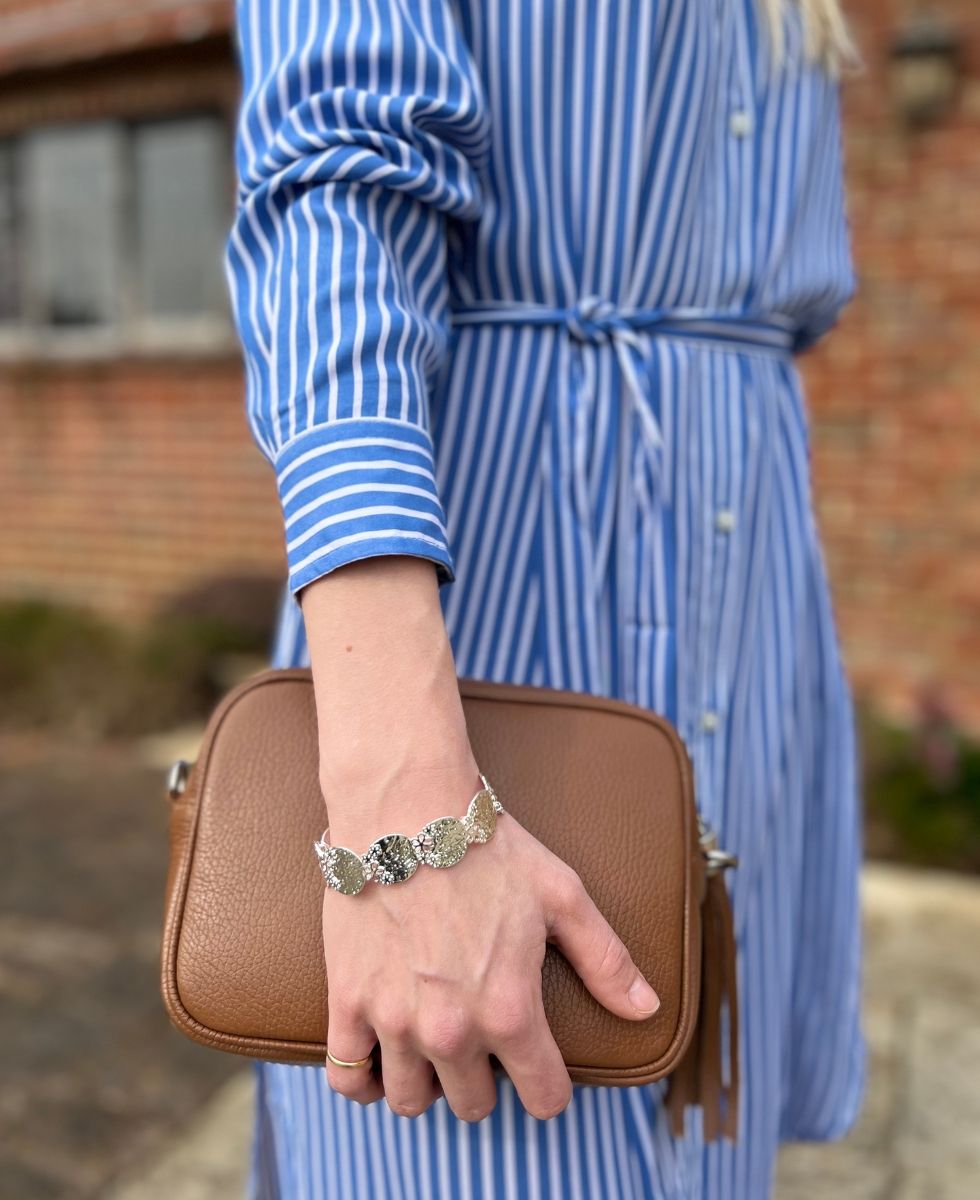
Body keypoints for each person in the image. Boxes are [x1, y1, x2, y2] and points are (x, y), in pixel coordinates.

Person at [224, 0, 868, 1195]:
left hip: (749, 573)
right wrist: (406, 810)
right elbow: (334, 183)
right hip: (510, 578)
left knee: (702, 1131)